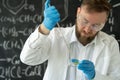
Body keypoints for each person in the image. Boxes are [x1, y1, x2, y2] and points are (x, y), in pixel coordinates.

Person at [20, 0, 120, 80]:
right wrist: (44, 28)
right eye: (84, 21)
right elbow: (28, 58)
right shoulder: (57, 35)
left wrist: (95, 76)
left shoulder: (110, 44)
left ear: (105, 21)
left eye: (96, 25)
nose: (87, 29)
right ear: (78, 12)